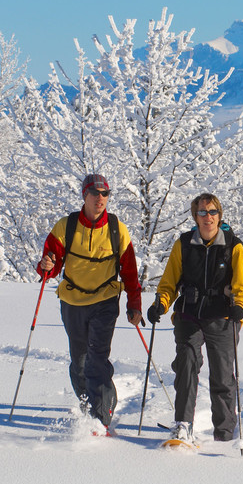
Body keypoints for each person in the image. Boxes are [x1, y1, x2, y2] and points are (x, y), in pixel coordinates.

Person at [37, 174, 143, 433]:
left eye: (105, 193)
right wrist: (46, 267)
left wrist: (134, 305)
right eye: (95, 193)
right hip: (72, 301)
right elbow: (50, 266)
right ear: (84, 195)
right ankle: (89, 404)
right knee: (80, 360)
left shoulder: (117, 228)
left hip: (105, 301)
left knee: (97, 357)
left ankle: (101, 417)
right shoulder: (66, 226)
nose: (100, 198)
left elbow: (129, 271)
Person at [148, 193, 243, 444]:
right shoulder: (183, 244)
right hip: (190, 313)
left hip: (223, 316)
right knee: (187, 362)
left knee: (223, 375)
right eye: (202, 212)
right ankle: (183, 425)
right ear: (195, 217)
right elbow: (169, 282)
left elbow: (242, 287)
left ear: (220, 215)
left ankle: (224, 434)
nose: (208, 217)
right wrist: (160, 303)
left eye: (212, 211)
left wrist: (239, 306)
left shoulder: (233, 246)